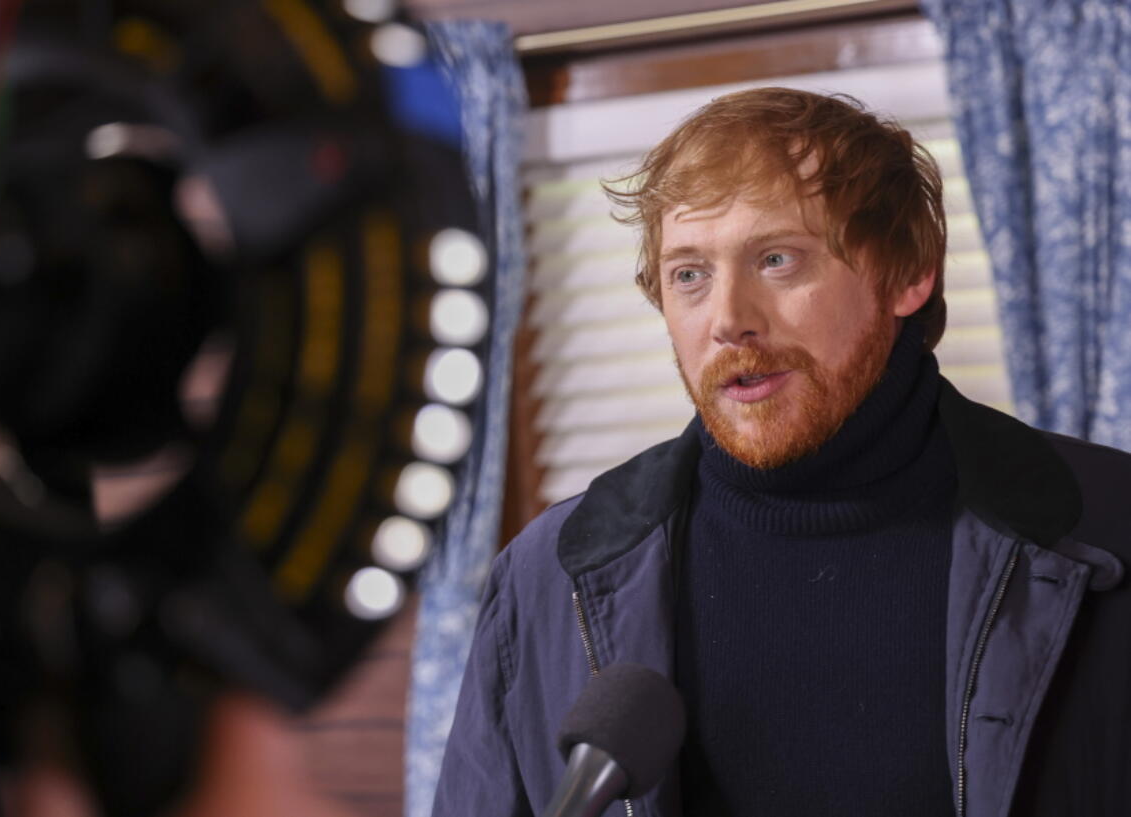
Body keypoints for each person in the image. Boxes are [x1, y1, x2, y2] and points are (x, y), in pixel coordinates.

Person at [432, 87, 1131, 817]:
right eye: (690, 274)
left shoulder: (1108, 529)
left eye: (776, 259)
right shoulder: (546, 578)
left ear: (907, 272)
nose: (730, 319)